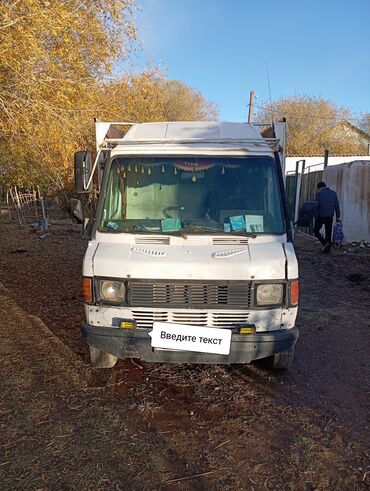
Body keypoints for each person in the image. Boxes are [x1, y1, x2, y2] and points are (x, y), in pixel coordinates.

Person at [313, 181, 340, 253]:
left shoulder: (319, 194)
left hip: (321, 215)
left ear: (319, 188)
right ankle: (327, 250)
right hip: (330, 216)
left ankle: (324, 243)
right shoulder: (334, 193)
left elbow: (316, 205)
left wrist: (314, 214)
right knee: (328, 233)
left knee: (315, 230)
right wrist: (338, 217)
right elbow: (337, 206)